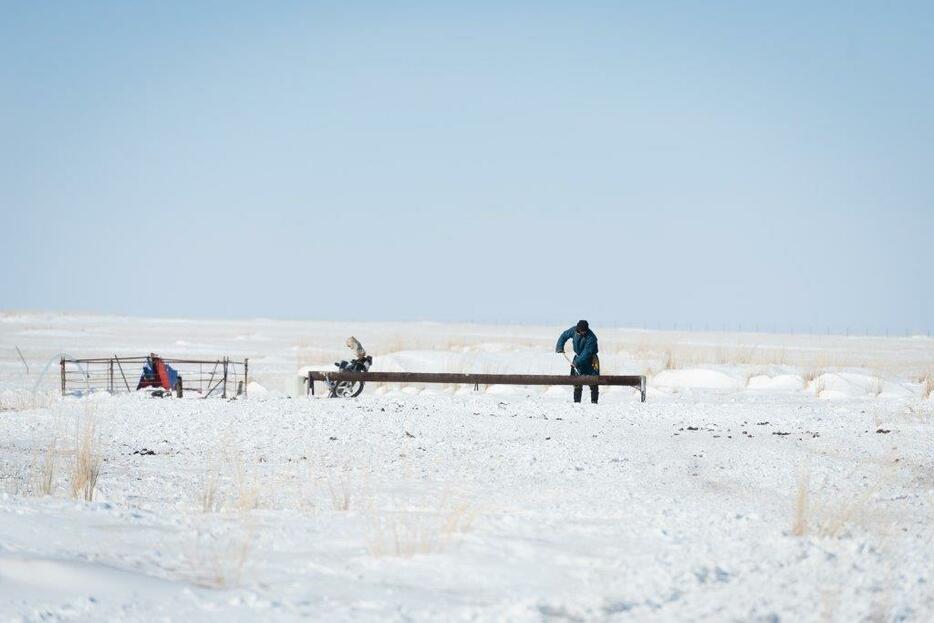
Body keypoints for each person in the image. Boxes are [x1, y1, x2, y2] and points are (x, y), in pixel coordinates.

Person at [555, 320, 600, 404]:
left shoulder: (592, 337)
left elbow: (587, 352)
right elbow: (564, 336)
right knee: (576, 381)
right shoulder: (573, 330)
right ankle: (576, 403)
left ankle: (594, 403)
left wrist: (576, 363)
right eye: (581, 330)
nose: (583, 332)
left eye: (585, 331)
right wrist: (560, 346)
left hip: (591, 360)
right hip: (578, 357)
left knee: (594, 381)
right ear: (578, 329)